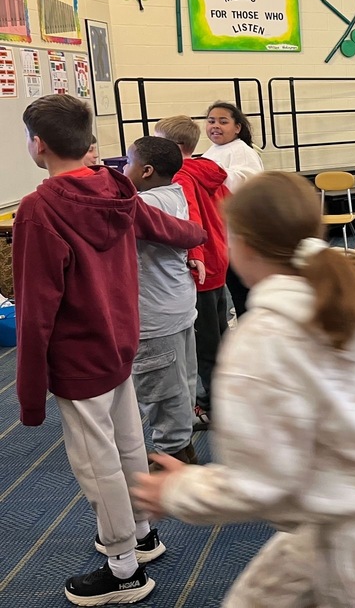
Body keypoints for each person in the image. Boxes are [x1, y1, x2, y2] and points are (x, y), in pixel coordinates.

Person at [132, 172, 355, 608]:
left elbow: (261, 482)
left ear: (243, 246)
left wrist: (177, 491)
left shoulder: (262, 339)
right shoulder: (349, 300)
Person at [13, 94, 205, 606]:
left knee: (97, 463)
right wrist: (200, 237)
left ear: (38, 144)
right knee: (127, 444)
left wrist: (29, 395)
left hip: (79, 358)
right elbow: (173, 230)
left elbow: (35, 310)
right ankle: (141, 534)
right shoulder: (116, 187)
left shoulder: (38, 210)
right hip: (121, 342)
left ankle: (123, 570)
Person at [123, 136, 199, 467]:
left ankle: (173, 458)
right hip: (177, 305)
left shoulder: (146, 204)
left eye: (128, 162)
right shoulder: (175, 192)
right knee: (181, 383)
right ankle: (182, 448)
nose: (123, 169)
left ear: (147, 171)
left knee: (162, 391)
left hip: (155, 315)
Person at [154, 115, 230, 432]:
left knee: (207, 346)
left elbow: (191, 221)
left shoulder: (181, 178)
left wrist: (195, 256)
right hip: (217, 262)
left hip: (201, 269)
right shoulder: (207, 170)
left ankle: (214, 407)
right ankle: (223, 398)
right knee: (219, 338)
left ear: (172, 146)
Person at [201, 101, 264, 316]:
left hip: (239, 231)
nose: (215, 126)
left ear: (237, 127)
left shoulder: (242, 151)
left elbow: (246, 185)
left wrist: (209, 174)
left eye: (223, 121)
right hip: (221, 229)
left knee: (243, 287)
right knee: (232, 285)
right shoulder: (213, 150)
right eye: (211, 121)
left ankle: (253, 321)